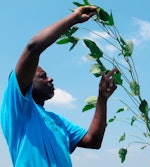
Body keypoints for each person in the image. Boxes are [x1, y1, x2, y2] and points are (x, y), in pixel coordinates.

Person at [1, 5, 118, 167]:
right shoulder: (18, 109)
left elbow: (93, 140)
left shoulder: (57, 121)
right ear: (27, 82)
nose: (51, 79)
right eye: (43, 76)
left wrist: (102, 99)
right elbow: (33, 48)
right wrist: (73, 19)